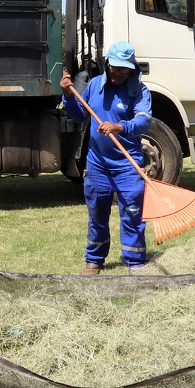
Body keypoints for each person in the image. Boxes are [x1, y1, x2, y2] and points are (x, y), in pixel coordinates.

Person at [60, 41, 153, 275]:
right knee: (97, 213)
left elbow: (144, 120)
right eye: (114, 67)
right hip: (97, 165)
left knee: (132, 214)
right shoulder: (94, 86)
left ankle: (135, 262)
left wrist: (119, 127)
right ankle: (94, 260)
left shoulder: (139, 91)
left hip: (128, 165)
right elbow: (81, 116)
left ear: (132, 68)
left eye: (124, 69)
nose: (118, 73)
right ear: (107, 64)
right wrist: (67, 95)